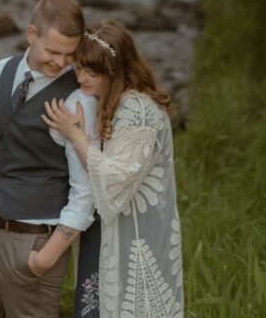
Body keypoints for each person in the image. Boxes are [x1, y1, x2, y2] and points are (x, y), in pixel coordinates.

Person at [0, 0, 98, 318]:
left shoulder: (78, 100)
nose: (61, 62)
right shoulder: (1, 71)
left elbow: (86, 190)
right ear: (31, 34)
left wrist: (46, 258)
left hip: (33, 242)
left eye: (70, 54)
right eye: (52, 51)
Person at [42, 20, 184, 318]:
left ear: (116, 70)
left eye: (92, 71)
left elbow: (115, 179)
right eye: (79, 68)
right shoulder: (109, 101)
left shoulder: (138, 109)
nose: (82, 77)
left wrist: (76, 134)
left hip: (129, 235)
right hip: (103, 227)